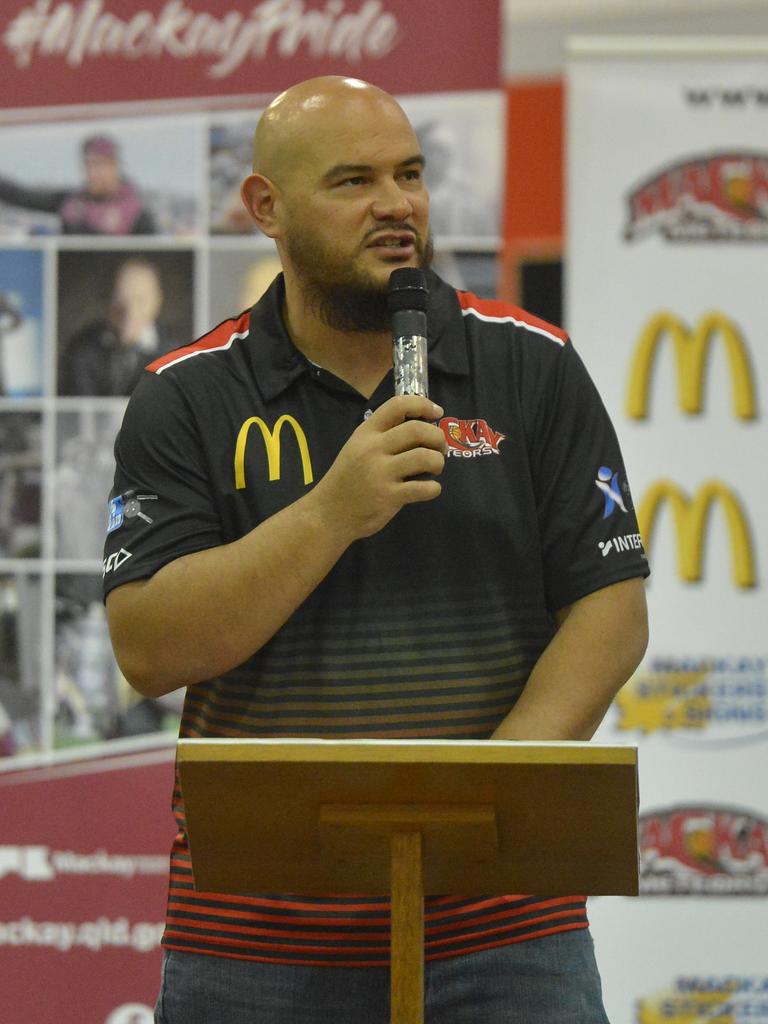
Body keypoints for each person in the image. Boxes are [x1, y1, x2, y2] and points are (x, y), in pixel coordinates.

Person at [103, 76, 649, 1023]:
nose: (396, 204)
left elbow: (610, 605)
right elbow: (150, 650)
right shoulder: (184, 393)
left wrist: (484, 803)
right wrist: (331, 513)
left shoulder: (532, 363)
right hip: (254, 942)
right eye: (354, 181)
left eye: (410, 174)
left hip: (506, 932)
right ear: (266, 208)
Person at [0, 133, 156, 235]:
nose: (93, 173)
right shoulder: (71, 203)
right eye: (89, 165)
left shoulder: (136, 214)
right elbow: (21, 196)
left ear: (115, 166)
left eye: (100, 165)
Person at [59, 257, 173, 396]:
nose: (129, 312)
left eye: (140, 300)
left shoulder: (176, 356)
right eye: (120, 299)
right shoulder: (82, 349)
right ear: (107, 300)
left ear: (157, 302)